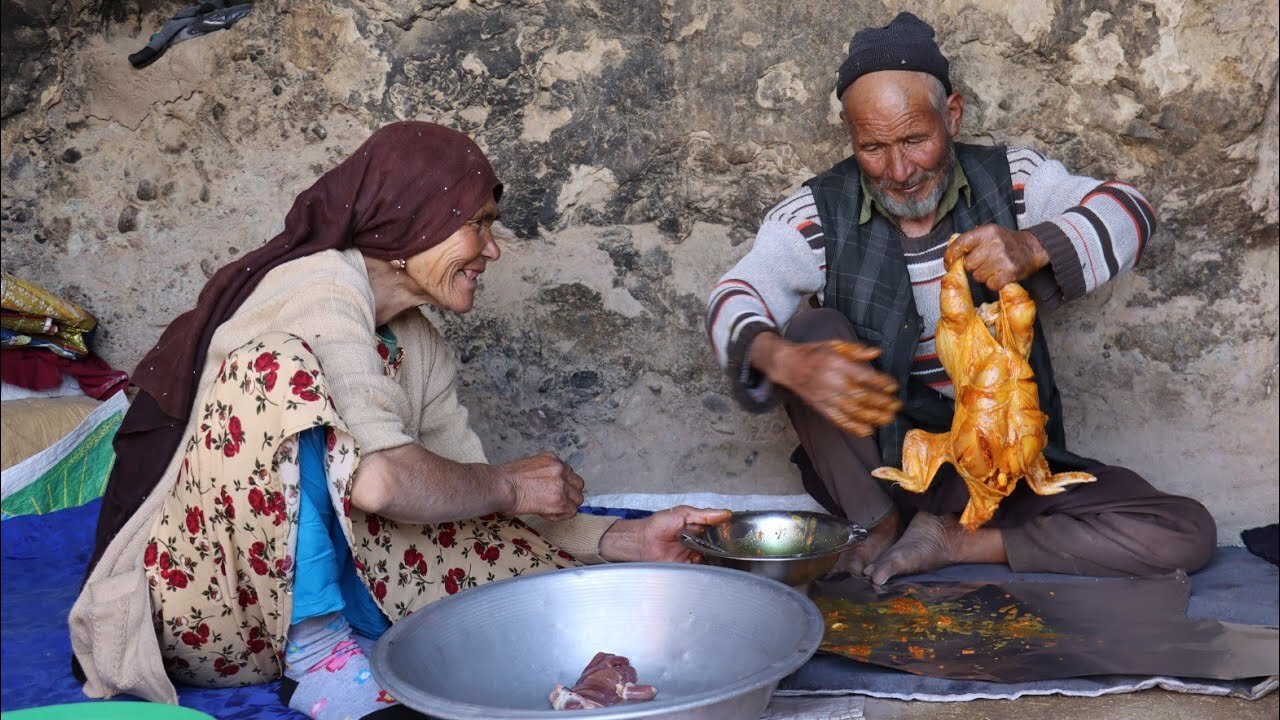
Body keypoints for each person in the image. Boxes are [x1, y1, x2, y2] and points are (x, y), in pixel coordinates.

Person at [71, 121, 729, 719]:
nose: (491, 250)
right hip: (209, 612)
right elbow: (381, 485)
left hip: (320, 607)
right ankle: (320, 656)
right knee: (273, 369)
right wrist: (510, 484)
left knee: (517, 566)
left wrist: (624, 538)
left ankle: (356, 634)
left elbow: (467, 487)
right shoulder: (317, 291)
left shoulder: (415, 341)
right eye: (477, 224)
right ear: (409, 224)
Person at [705, 13, 1216, 586]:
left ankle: (959, 540)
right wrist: (781, 359)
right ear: (850, 136)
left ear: (952, 114)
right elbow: (735, 294)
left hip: (999, 465)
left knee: (1184, 530)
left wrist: (1034, 245)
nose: (898, 171)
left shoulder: (1013, 181)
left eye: (915, 140)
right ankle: (871, 528)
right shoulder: (814, 215)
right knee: (806, 332)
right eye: (872, 148)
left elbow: (1131, 209)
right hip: (884, 468)